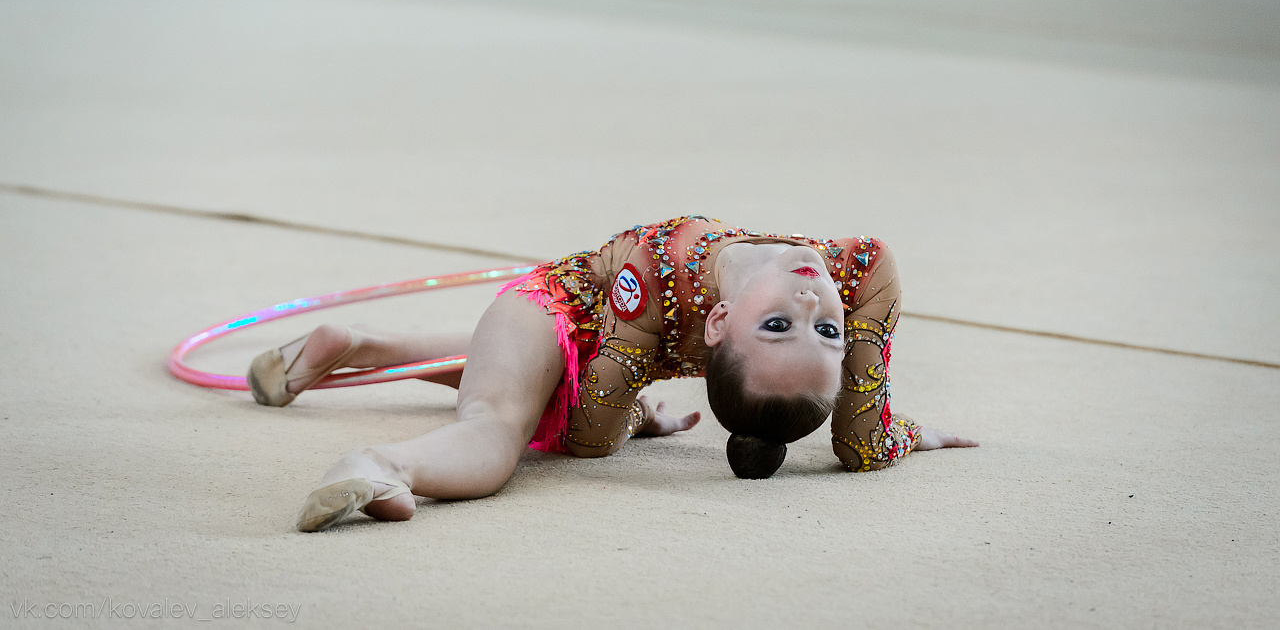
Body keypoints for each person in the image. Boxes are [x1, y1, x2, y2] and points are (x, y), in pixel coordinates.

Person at [247, 216, 977, 532]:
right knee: (499, 428)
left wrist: (906, 432)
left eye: (824, 331)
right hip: (552, 313)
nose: (818, 302)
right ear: (717, 325)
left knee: (528, 397)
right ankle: (378, 463)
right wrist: (636, 414)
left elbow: (860, 428)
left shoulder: (857, 275)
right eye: (785, 325)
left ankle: (358, 346)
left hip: (578, 354)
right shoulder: (663, 270)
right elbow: (591, 426)